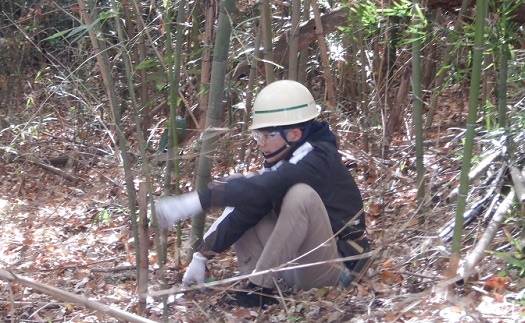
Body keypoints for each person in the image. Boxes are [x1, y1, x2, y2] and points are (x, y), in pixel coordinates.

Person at [155, 80, 371, 307]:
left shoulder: (317, 158)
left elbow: (268, 185)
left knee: (300, 195)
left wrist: (198, 201)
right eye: (258, 136)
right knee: (243, 188)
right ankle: (257, 283)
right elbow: (251, 200)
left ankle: (260, 288)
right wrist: (202, 256)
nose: (262, 144)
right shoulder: (285, 157)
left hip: (336, 268)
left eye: (267, 136)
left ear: (295, 134)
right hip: (297, 268)